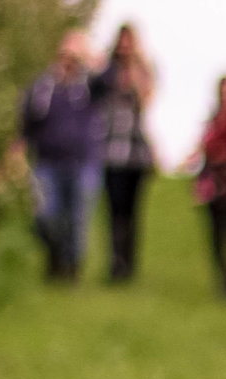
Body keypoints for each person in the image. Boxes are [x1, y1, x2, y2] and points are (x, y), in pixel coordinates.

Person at [19, 31, 101, 282]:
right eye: (64, 55)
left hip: (81, 162)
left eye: (72, 56)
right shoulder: (43, 86)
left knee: (77, 220)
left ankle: (70, 270)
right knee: (45, 215)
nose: (68, 61)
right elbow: (27, 118)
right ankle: (54, 258)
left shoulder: (89, 86)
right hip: (46, 163)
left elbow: (110, 79)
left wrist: (88, 58)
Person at [94, 23, 159, 283]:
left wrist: (133, 71)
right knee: (114, 210)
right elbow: (93, 90)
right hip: (109, 151)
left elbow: (146, 100)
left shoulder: (143, 70)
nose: (124, 46)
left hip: (135, 154)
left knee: (132, 212)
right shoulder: (105, 71)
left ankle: (129, 264)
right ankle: (115, 263)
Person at [192, 75, 226, 297]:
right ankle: (225, 283)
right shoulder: (213, 121)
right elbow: (205, 152)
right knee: (217, 237)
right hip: (215, 186)